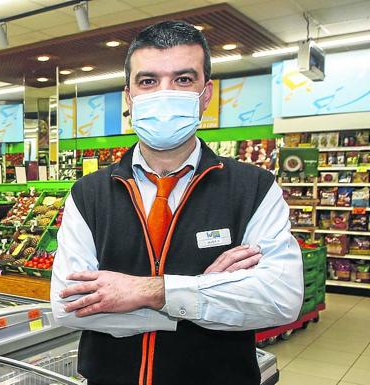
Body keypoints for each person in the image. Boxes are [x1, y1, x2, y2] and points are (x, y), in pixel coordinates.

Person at [50, 20, 304, 385]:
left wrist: (148, 291)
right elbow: (68, 307)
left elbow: (280, 298)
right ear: (129, 96)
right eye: (148, 81)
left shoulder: (254, 188)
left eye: (183, 80)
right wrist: (202, 293)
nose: (164, 93)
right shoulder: (88, 194)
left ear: (206, 93)